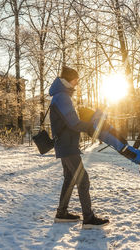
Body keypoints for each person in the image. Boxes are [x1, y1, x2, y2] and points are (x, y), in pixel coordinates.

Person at [49, 66, 109, 229]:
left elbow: (70, 121)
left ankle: (62, 213)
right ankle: (88, 219)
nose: (77, 83)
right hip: (67, 145)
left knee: (70, 178)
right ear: (68, 80)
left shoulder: (60, 95)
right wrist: (92, 126)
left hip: (65, 144)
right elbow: (73, 123)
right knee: (83, 180)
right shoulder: (62, 96)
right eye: (76, 80)